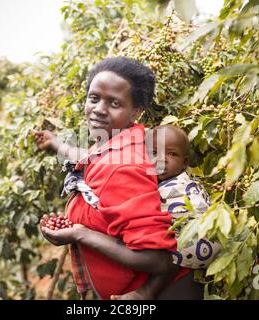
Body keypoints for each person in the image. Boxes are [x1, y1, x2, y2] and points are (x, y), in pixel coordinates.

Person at [34, 56, 190, 300]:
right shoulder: (121, 140)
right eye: (93, 98)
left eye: (114, 103)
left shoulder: (123, 165)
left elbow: (159, 260)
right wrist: (55, 143)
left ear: (135, 111)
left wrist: (79, 233)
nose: (98, 109)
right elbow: (87, 158)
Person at [38, 124, 220, 299]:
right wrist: (55, 143)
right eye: (154, 153)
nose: (161, 159)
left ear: (184, 163)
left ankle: (146, 291)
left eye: (171, 154)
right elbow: (89, 157)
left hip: (183, 264)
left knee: (167, 254)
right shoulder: (136, 170)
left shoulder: (178, 188)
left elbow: (164, 251)